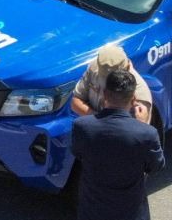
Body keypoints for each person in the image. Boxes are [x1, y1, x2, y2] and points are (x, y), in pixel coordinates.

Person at [70, 68, 165, 220]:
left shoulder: (82, 126)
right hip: (131, 213)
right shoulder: (146, 134)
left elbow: (78, 152)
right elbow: (156, 166)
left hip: (93, 212)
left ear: (104, 94)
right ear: (133, 99)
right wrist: (141, 125)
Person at [71, 44, 154, 123]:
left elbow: (137, 132)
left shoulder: (140, 94)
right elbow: (75, 102)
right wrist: (100, 119)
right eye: (104, 78)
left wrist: (101, 122)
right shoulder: (95, 68)